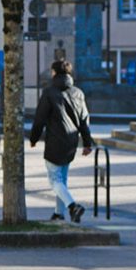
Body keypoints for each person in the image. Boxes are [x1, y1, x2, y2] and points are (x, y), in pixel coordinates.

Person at [30, 59, 94, 222]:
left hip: (54, 141)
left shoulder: (49, 92)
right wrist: (87, 143)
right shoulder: (78, 93)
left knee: (54, 181)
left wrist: (34, 138)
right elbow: (84, 120)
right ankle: (59, 213)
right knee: (62, 179)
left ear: (54, 73)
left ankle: (73, 206)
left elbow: (40, 118)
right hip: (71, 141)